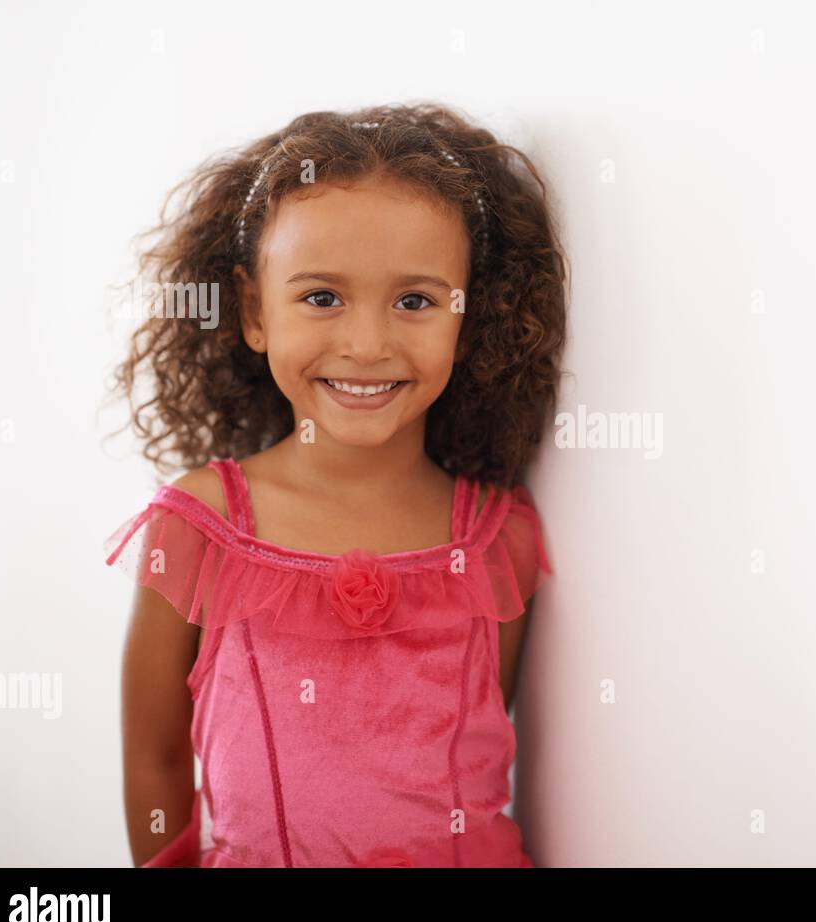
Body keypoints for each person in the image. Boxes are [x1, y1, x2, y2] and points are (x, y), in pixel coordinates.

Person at [104, 102, 567, 867]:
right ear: (255, 310)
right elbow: (154, 757)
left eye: (415, 301)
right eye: (321, 297)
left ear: (467, 315)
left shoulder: (496, 536)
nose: (366, 343)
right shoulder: (197, 528)